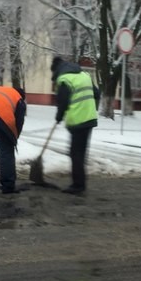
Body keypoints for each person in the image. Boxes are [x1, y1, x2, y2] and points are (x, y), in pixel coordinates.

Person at [51, 56, 100, 195]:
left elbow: (63, 102)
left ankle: (78, 185)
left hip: (78, 121)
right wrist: (90, 107)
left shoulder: (65, 80)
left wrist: (59, 117)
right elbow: (97, 93)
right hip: (89, 119)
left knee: (75, 153)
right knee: (81, 153)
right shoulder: (84, 75)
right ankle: (80, 183)